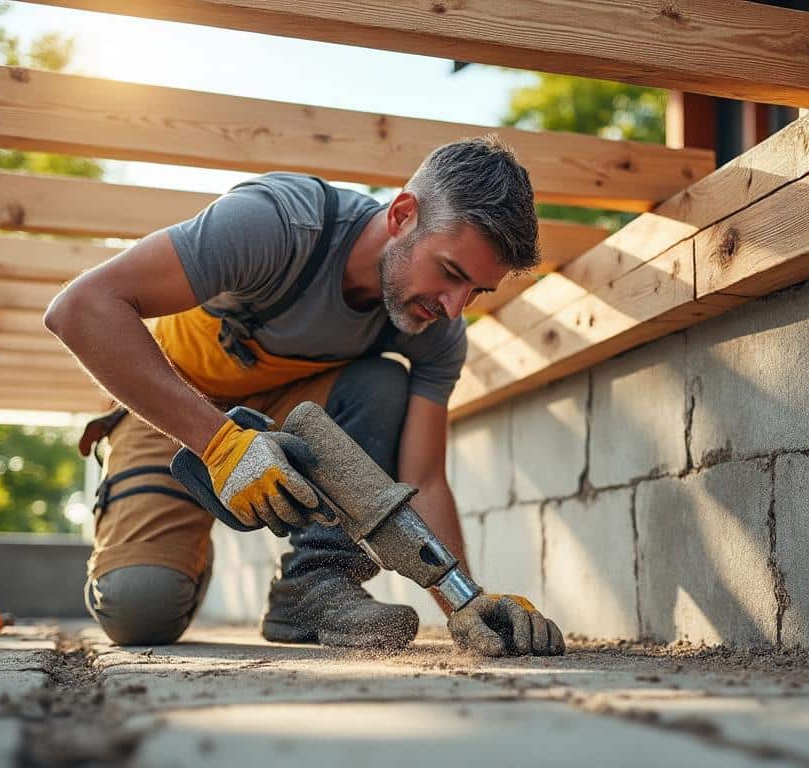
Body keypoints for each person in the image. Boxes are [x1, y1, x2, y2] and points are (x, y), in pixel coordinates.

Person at [45, 135, 562, 654]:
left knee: (383, 383)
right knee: (140, 609)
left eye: (476, 291)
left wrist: (465, 599)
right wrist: (223, 446)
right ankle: (183, 547)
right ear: (403, 214)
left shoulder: (437, 331)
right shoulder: (277, 225)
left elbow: (423, 478)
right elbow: (81, 307)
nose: (455, 307)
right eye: (450, 273)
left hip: (290, 413)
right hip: (172, 405)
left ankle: (313, 585)